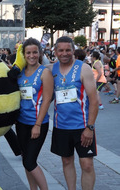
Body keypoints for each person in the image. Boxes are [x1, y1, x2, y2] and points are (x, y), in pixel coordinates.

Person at [50, 36, 98, 190]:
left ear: (73, 51)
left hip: (82, 126)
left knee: (87, 164)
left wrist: (89, 128)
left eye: (68, 50)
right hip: (61, 126)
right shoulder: (52, 69)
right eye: (61, 50)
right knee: (66, 161)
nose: (64, 53)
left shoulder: (83, 68)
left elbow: (94, 100)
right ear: (56, 51)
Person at [16, 38, 53, 190]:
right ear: (23, 54)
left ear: (40, 53)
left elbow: (47, 100)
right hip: (21, 122)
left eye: (34, 52)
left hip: (37, 123)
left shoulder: (45, 73)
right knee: (26, 159)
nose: (31, 56)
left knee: (30, 161)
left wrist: (37, 124)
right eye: (28, 53)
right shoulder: (20, 73)